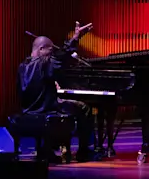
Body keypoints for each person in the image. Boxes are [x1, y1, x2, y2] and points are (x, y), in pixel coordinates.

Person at [18, 21, 95, 161]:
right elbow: (63, 55)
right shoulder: (45, 63)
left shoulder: (23, 66)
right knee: (84, 108)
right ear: (41, 49)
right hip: (44, 109)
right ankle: (83, 151)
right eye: (50, 50)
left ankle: (48, 148)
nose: (52, 53)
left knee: (64, 105)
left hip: (28, 110)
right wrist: (75, 38)